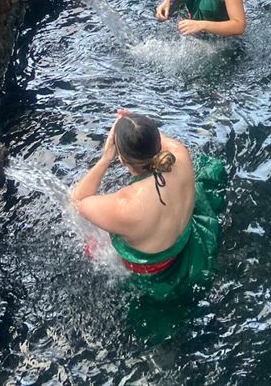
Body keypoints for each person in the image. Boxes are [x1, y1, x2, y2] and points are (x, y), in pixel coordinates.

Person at [71, 110, 225, 298]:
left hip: (154, 275)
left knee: (91, 245)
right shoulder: (179, 153)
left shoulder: (124, 205)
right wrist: (135, 124)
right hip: (189, 244)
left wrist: (105, 158)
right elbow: (155, 139)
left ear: (122, 159)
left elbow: (78, 200)